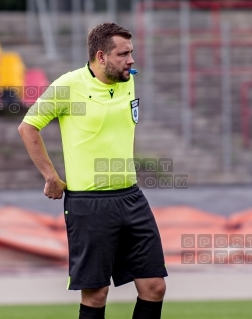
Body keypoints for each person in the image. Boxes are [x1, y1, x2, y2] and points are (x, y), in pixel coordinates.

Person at [18, 22, 168, 319]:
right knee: (97, 294)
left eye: (132, 52)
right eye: (124, 54)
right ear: (101, 56)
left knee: (154, 287)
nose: (131, 60)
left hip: (132, 198)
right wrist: (51, 176)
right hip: (89, 204)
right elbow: (27, 127)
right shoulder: (69, 85)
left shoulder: (128, 80)